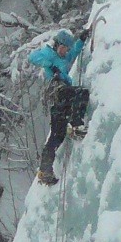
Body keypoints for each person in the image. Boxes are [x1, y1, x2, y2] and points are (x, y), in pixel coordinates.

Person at [27, 27, 89, 186]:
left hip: (61, 100)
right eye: (63, 48)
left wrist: (81, 40)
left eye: (66, 49)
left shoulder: (64, 57)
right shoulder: (49, 54)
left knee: (57, 135)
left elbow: (74, 53)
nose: (65, 51)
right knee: (81, 93)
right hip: (57, 90)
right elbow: (32, 57)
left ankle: (45, 171)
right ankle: (76, 124)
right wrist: (50, 63)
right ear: (57, 45)